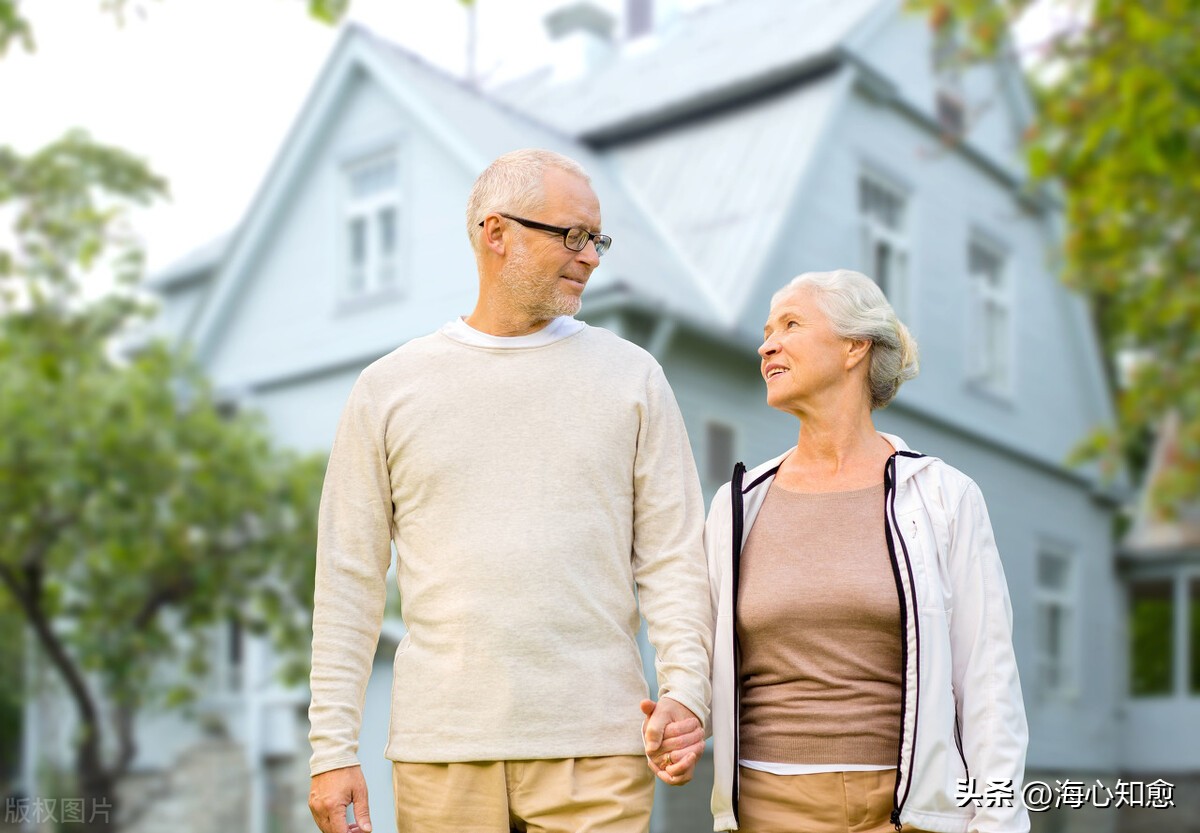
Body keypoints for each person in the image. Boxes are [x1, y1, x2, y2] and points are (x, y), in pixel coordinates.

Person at [306, 148, 712, 833]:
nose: (590, 257)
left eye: (598, 239)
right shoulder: (389, 387)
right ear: (496, 232)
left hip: (598, 747)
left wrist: (686, 691)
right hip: (443, 750)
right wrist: (332, 750)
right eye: (572, 235)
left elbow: (674, 556)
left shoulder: (633, 377)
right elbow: (348, 577)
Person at [703, 270, 1029, 833]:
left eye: (791, 325)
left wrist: (998, 822)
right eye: (766, 331)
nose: (767, 346)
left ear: (855, 347)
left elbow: (987, 678)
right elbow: (704, 657)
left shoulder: (943, 497)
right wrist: (679, 715)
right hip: (769, 805)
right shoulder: (738, 505)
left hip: (914, 810)